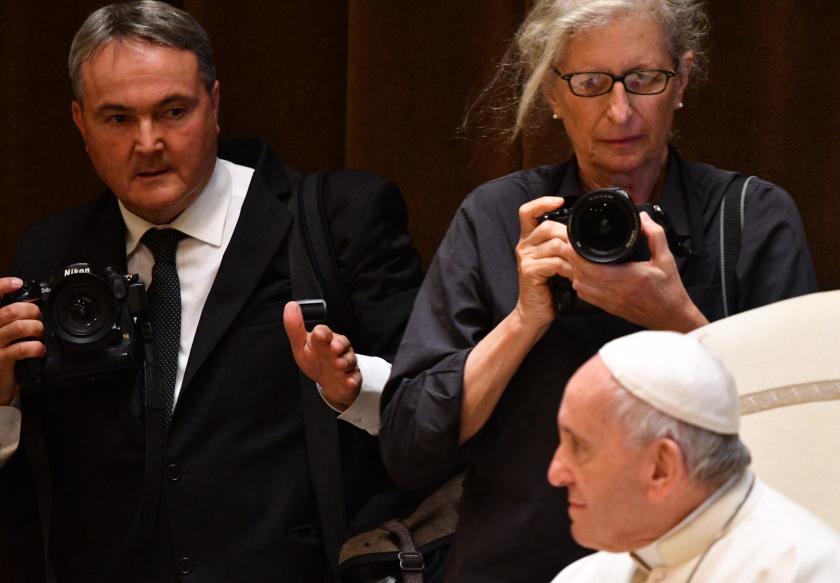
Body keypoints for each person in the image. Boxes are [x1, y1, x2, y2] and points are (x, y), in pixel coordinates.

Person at [379, 0, 817, 580]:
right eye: (589, 83)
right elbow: (409, 449)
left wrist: (676, 317)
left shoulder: (750, 218)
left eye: (644, 80)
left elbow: (805, 437)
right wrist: (524, 319)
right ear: (552, 94)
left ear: (681, 81)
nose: (620, 111)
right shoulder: (495, 218)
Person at [0, 1, 422, 581]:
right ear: (80, 124)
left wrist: (352, 388)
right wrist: (3, 402)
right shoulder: (50, 255)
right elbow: (36, 483)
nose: (148, 143)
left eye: (173, 112)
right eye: (117, 119)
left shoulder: (338, 222)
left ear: (215, 104)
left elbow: (431, 410)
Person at [549, 330, 840, 582]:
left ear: (661, 469)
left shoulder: (803, 571)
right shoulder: (587, 574)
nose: (555, 473)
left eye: (579, 447)